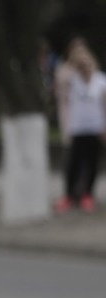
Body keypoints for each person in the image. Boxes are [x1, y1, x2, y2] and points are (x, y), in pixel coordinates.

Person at [54, 45, 106, 214]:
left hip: (95, 128)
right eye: (80, 64)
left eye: (86, 63)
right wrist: (73, 61)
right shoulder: (71, 80)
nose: (84, 67)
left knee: (92, 163)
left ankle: (87, 195)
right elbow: (60, 79)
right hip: (76, 129)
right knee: (73, 164)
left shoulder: (101, 80)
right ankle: (69, 196)